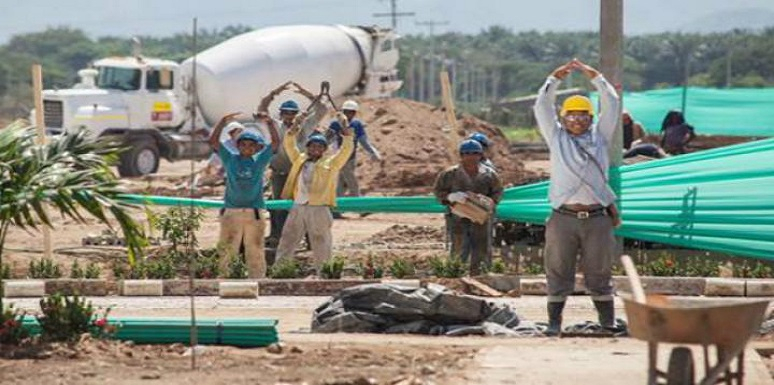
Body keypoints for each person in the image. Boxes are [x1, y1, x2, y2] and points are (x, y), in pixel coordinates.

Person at [533, 58, 622, 336]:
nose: (577, 120)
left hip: (597, 217)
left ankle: (607, 323)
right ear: (563, 118)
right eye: (571, 115)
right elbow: (541, 107)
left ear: (591, 119)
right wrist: (554, 79)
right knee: (558, 271)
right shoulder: (556, 138)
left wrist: (595, 76)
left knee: (600, 272)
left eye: (583, 115)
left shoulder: (601, 138)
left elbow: (612, 103)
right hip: (563, 217)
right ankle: (554, 323)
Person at [274, 111, 354, 273]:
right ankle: (280, 271)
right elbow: (289, 144)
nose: (316, 149)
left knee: (321, 243)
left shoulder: (331, 163)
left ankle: (324, 273)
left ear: (324, 149)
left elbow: (345, 151)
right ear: (308, 147)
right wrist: (295, 127)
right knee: (288, 240)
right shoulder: (300, 159)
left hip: (319, 208)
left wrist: (346, 133)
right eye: (312, 146)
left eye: (319, 146)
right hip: (298, 206)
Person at [255, 81, 328, 250]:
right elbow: (262, 108)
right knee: (278, 205)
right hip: (279, 173)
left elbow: (322, 109)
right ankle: (277, 237)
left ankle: (311, 240)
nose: (289, 116)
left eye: (292, 113)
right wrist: (275, 91)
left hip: (300, 173)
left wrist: (305, 92)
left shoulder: (305, 126)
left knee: (305, 205)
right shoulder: (275, 126)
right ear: (281, 114)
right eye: (286, 113)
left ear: (296, 114)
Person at [209, 112, 280, 278]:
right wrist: (222, 122)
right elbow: (213, 142)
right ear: (238, 146)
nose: (247, 148)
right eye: (244, 144)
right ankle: (224, 278)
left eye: (251, 145)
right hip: (231, 211)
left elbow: (275, 143)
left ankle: (257, 280)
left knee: (255, 247)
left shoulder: (259, 160)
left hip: (253, 212)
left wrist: (269, 123)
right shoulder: (230, 159)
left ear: (256, 147)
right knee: (227, 248)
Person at [434, 139, 503, 276]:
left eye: (475, 153)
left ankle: (480, 275)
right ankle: (456, 274)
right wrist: (451, 197)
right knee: (459, 246)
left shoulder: (489, 174)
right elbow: (438, 191)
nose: (471, 157)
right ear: (461, 155)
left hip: (481, 218)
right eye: (467, 153)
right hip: (457, 217)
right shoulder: (450, 174)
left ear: (480, 155)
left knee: (482, 246)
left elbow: (497, 192)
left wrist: (488, 202)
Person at [326, 100, 381, 198]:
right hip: (340, 157)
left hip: (352, 158)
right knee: (352, 182)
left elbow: (363, 141)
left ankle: (337, 206)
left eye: (351, 112)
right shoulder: (335, 124)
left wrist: (372, 152)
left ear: (355, 113)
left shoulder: (356, 124)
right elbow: (327, 139)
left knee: (342, 183)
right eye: (346, 111)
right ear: (343, 112)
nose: (348, 114)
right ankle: (360, 205)